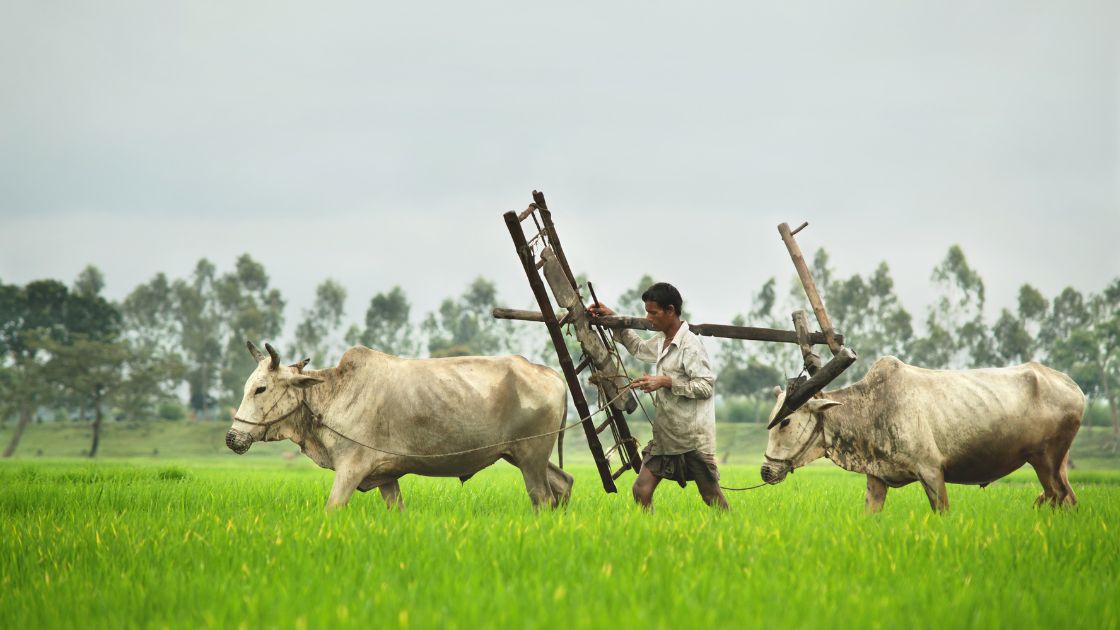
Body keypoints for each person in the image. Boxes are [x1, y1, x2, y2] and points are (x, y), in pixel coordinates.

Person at [589, 282, 729, 511]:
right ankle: (651, 536)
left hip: (692, 439)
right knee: (641, 490)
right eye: (647, 312)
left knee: (710, 496)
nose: (649, 318)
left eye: (653, 312)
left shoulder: (689, 345)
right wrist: (613, 318)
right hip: (666, 435)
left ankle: (731, 532)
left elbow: (705, 386)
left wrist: (664, 381)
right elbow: (638, 348)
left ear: (670, 310)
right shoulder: (662, 340)